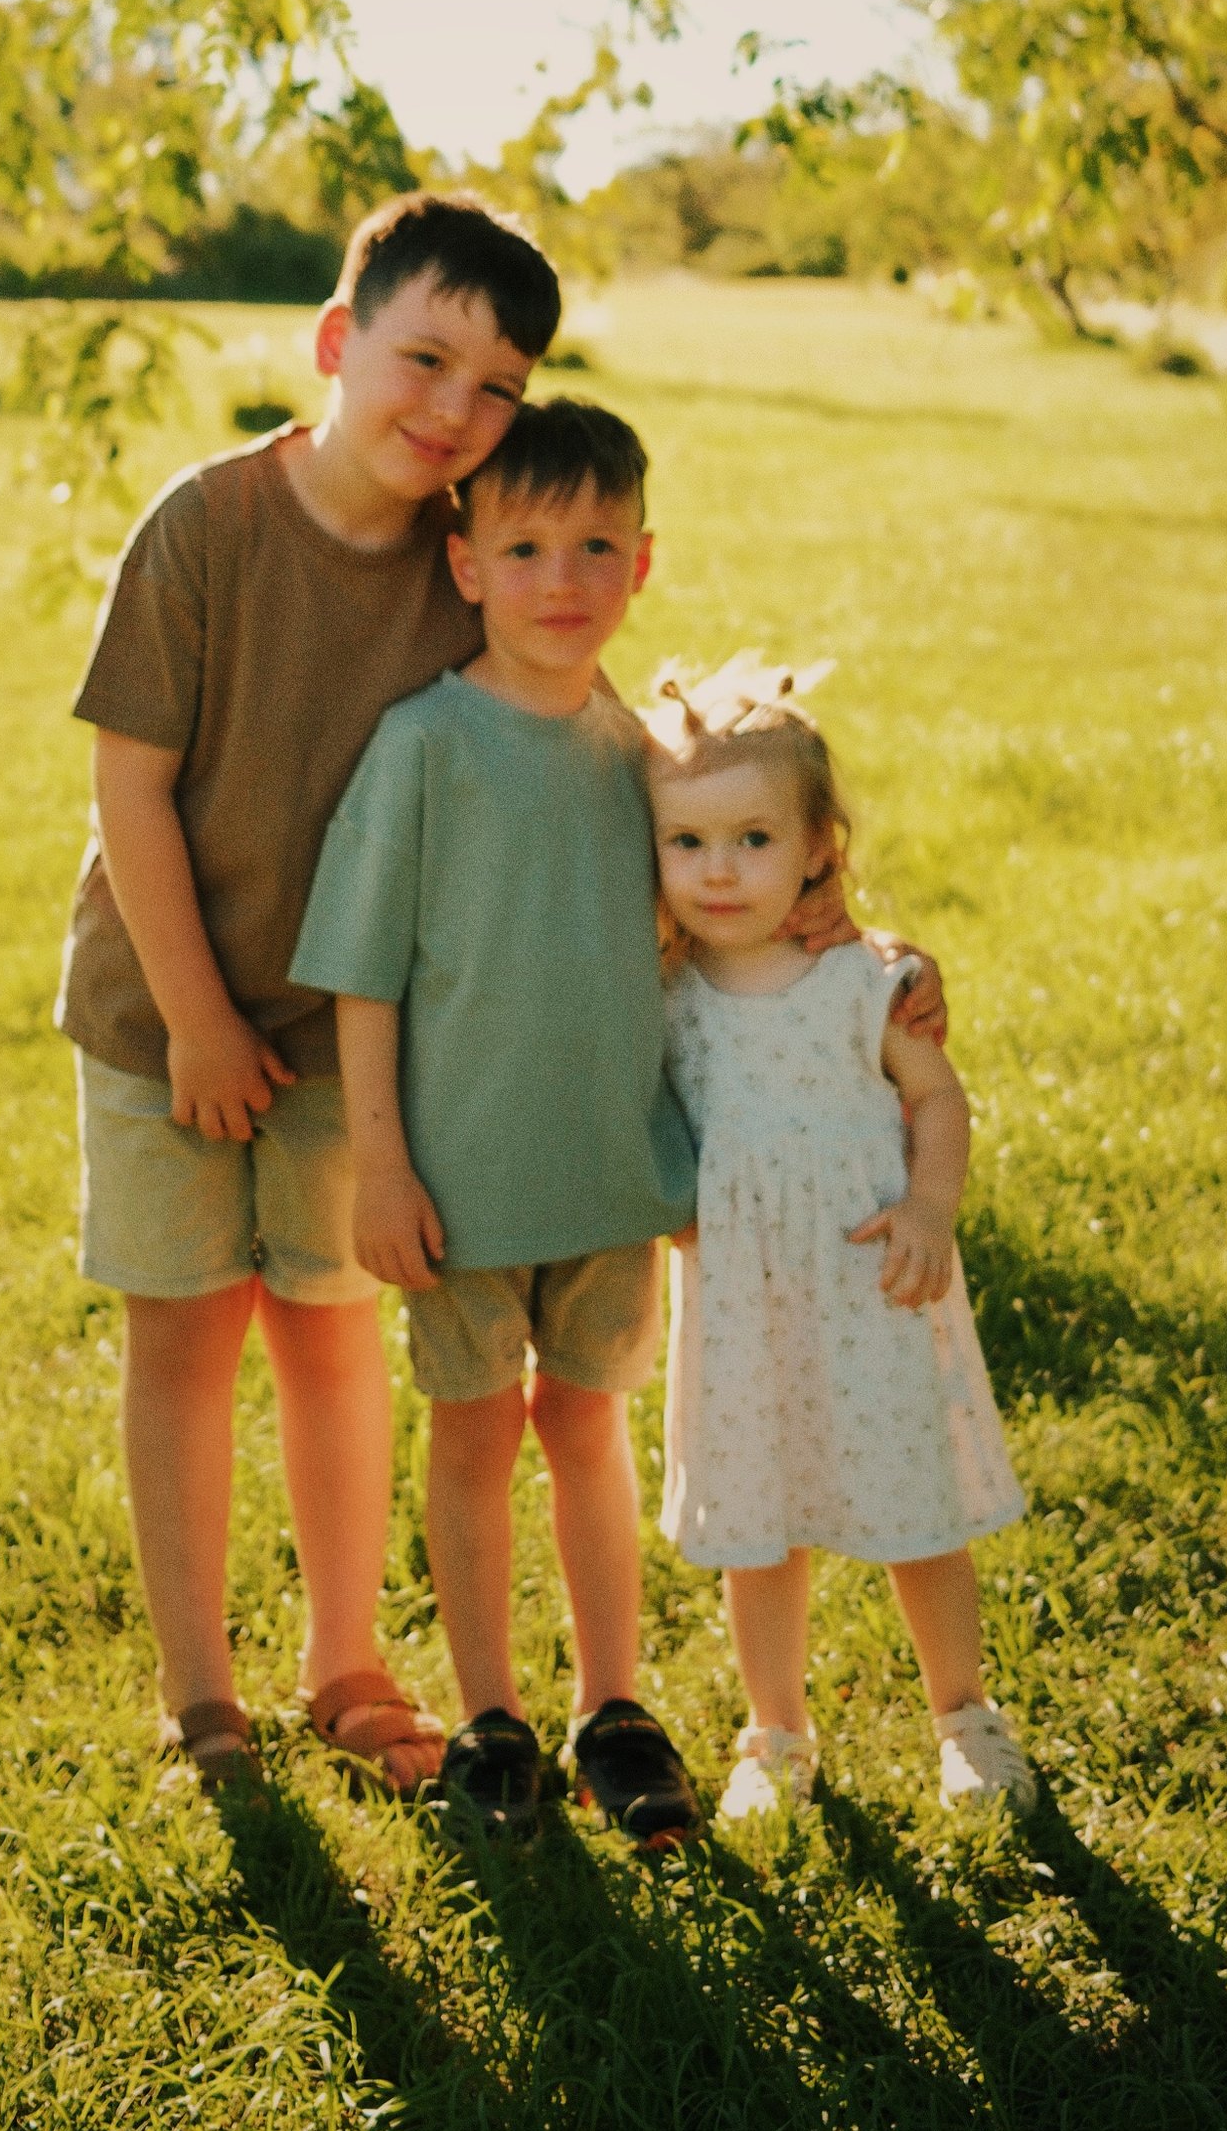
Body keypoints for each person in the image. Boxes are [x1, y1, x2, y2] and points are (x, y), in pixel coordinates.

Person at [59, 191, 563, 1796]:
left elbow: (562, 727)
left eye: (498, 388)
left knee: (334, 1335)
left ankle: (343, 1656)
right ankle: (200, 1692)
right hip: (164, 1017)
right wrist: (200, 1019)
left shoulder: (465, 566)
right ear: (340, 343)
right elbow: (129, 791)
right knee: (186, 1334)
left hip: (354, 1034)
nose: (454, 410)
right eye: (424, 358)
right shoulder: (204, 527)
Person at [290, 398, 701, 1848]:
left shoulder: (650, 756)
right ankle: (491, 1719)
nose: (562, 576)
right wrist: (384, 1164)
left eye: (596, 544)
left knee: (586, 1426)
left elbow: (731, 907)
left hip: (606, 1173)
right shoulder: (424, 746)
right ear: (464, 564)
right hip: (458, 1185)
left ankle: (614, 1707)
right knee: (472, 1438)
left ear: (642, 563)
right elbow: (365, 973)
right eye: (524, 545)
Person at [645, 659, 1035, 1823]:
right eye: (688, 842)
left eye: (755, 839)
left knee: (914, 1505)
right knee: (758, 1524)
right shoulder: (664, 991)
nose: (721, 870)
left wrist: (930, 1209)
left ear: (819, 847)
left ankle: (964, 1717)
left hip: (870, 1282)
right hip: (743, 1307)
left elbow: (938, 1098)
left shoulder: (860, 983)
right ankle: (774, 1735)